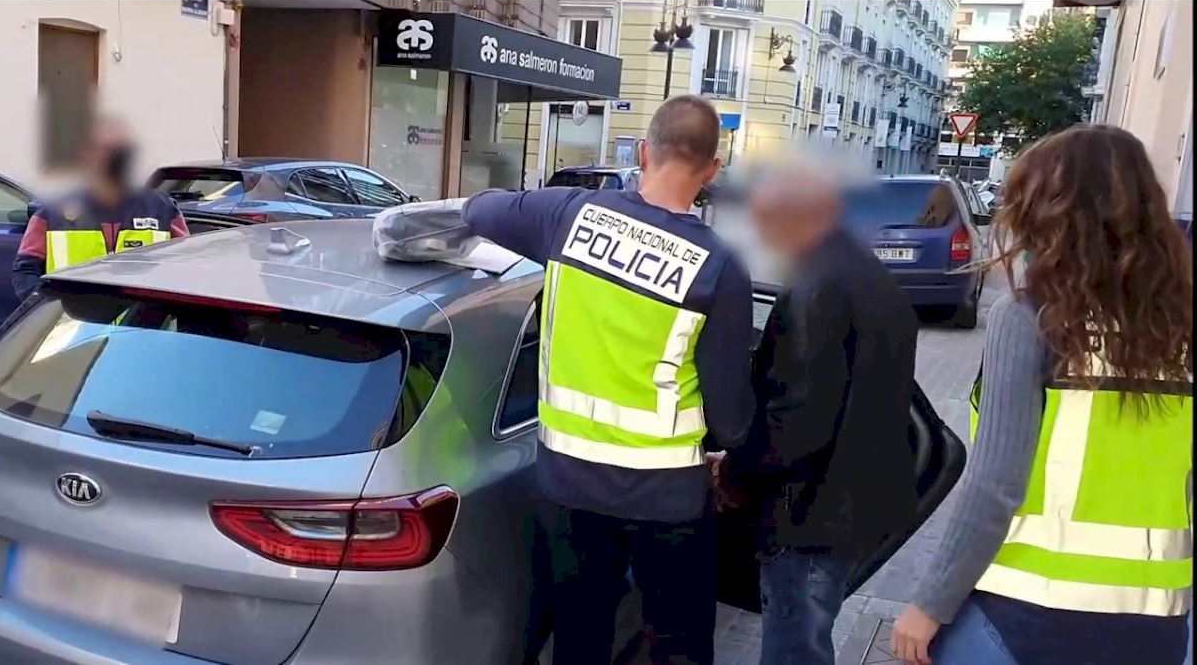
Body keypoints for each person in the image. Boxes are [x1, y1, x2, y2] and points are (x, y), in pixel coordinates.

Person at [462, 94, 755, 665]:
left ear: (643, 152)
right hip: (668, 498)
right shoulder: (719, 265)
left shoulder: (569, 215)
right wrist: (735, 454)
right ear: (712, 170)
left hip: (568, 486)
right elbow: (729, 412)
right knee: (678, 644)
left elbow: (480, 211)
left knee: (579, 636)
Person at [892, 124, 1193, 665]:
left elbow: (996, 485)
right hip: (1157, 623)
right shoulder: (1179, 330)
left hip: (1027, 616)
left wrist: (929, 604)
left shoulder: (1032, 317)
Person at [715, 164, 919, 665]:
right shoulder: (868, 276)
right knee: (807, 639)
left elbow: (795, 420)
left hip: (809, 514)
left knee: (794, 649)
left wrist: (735, 470)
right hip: (849, 507)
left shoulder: (816, 289)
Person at [12, 116, 189, 302]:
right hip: (74, 319)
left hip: (141, 320)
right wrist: (48, 307)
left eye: (116, 153)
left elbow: (186, 268)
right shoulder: (53, 212)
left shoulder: (162, 210)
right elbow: (26, 270)